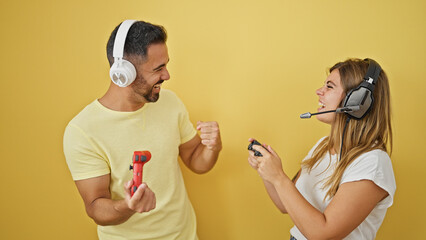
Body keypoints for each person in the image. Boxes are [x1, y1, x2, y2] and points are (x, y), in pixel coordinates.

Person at [63, 20, 222, 240]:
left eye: (166, 65)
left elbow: (196, 160)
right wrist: (129, 206)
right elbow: (95, 207)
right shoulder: (82, 131)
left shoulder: (170, 102)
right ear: (123, 74)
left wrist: (212, 147)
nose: (167, 75)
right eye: (158, 68)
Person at [247, 58, 396, 240]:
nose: (319, 92)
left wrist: (278, 177)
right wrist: (267, 172)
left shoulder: (372, 162)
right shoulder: (323, 146)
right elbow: (284, 205)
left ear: (358, 100)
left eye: (330, 86)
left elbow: (323, 233)